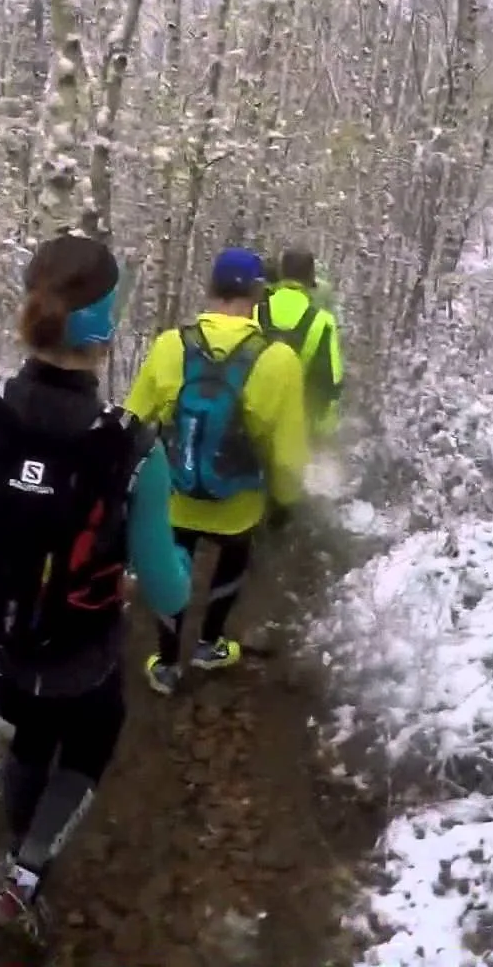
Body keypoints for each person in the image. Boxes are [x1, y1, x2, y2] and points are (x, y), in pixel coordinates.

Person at [0, 232, 193, 944]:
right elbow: (170, 593)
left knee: (29, 730)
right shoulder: (134, 447)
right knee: (92, 733)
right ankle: (24, 872)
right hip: (80, 669)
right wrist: (169, 556)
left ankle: (20, 831)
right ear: (107, 330)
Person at [125, 246, 308, 696]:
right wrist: (285, 499)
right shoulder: (279, 361)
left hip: (176, 492)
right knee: (231, 563)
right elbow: (287, 454)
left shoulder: (171, 345)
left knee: (174, 569)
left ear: (209, 290)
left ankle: (166, 664)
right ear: (259, 294)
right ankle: (209, 645)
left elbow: (131, 420)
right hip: (239, 502)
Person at [258, 248, 345, 443]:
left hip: (251, 419)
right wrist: (322, 431)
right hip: (295, 428)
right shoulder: (324, 322)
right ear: (311, 279)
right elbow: (332, 382)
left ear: (280, 275)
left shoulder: (257, 310)